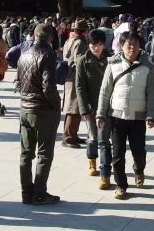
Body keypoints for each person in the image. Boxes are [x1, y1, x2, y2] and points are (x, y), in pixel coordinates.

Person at [96, 31, 154, 199]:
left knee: (138, 151)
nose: (132, 48)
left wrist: (151, 115)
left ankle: (139, 170)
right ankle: (121, 185)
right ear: (121, 46)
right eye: (128, 44)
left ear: (140, 46)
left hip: (138, 117)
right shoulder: (113, 64)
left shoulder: (148, 67)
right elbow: (105, 91)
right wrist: (100, 114)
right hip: (117, 116)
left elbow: (152, 93)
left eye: (135, 44)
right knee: (118, 153)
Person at [16, 23, 62, 205]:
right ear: (51, 38)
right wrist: (56, 104)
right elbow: (48, 86)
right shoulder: (48, 54)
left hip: (25, 108)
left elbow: (18, 82)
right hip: (42, 109)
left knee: (26, 153)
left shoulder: (24, 54)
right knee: (44, 153)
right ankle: (39, 193)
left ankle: (26, 191)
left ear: (34, 36)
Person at [75, 29, 111, 181]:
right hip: (90, 105)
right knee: (92, 136)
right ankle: (92, 161)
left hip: (108, 106)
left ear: (104, 44)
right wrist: (83, 109)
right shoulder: (82, 61)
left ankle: (105, 169)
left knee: (104, 138)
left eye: (99, 44)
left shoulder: (111, 59)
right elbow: (79, 86)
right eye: (93, 44)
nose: (96, 47)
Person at [62, 19, 90, 148]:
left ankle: (73, 134)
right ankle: (68, 137)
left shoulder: (69, 40)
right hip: (75, 78)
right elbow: (79, 61)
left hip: (70, 76)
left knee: (76, 107)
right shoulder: (79, 42)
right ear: (85, 31)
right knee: (73, 107)